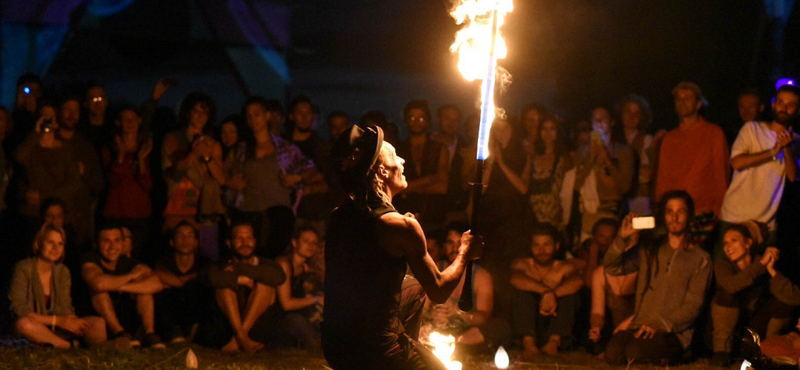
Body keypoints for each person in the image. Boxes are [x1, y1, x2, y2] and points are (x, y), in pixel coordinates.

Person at [323, 125, 484, 369]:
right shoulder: (399, 226)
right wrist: (464, 253)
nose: (402, 160)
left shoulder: (338, 217)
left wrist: (404, 232)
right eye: (394, 155)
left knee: (414, 285)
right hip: (374, 350)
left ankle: (406, 346)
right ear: (381, 171)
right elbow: (439, 291)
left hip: (335, 345)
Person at [603, 191, 712, 365]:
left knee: (634, 352)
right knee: (613, 354)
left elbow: (694, 304)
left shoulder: (700, 258)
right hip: (640, 325)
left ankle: (676, 354)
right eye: (669, 212)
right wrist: (622, 238)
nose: (674, 218)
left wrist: (661, 325)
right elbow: (612, 266)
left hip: (672, 331)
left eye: (680, 212)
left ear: (689, 216)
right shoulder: (650, 250)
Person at [225, 96, 322, 258]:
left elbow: (312, 170)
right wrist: (230, 183)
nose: (253, 120)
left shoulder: (284, 147)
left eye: (257, 114)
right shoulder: (241, 149)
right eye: (249, 116)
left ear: (267, 115)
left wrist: (296, 178)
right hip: (248, 213)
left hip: (278, 215)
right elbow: (223, 173)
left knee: (274, 259)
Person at [718, 84, 800, 258]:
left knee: (761, 278)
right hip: (735, 216)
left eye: (790, 104)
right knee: (724, 275)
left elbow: (793, 176)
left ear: (797, 110)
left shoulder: (796, 141)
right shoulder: (752, 129)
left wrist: (786, 148)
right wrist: (772, 152)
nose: (784, 108)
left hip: (765, 224)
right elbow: (737, 163)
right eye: (780, 102)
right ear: (773, 104)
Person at [711, 224, 800, 366]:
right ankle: (722, 352)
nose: (728, 246)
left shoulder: (764, 264)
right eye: (725, 243)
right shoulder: (723, 266)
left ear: (748, 243)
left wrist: (771, 270)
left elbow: (794, 298)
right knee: (726, 294)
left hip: (754, 328)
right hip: (729, 331)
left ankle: (770, 350)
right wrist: (761, 264)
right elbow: (732, 286)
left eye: (734, 240)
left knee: (783, 302)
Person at [9, 224, 107, 348]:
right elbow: (19, 310)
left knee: (98, 323)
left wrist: (71, 322)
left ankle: (101, 352)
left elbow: (65, 306)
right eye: (50, 242)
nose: (55, 248)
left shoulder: (62, 271)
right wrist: (57, 320)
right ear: (38, 244)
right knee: (23, 324)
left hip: (57, 328)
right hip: (34, 328)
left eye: (60, 244)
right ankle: (67, 347)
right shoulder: (23, 268)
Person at [420, 221, 510, 354]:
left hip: (464, 332)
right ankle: (436, 344)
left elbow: (483, 317)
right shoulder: (435, 269)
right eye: (450, 243)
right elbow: (421, 308)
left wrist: (457, 312)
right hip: (437, 328)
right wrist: (432, 315)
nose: (455, 248)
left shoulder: (481, 276)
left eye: (460, 244)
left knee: (499, 327)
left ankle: (452, 344)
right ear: (444, 246)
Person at [201, 221, 286, 352]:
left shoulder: (266, 264)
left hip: (258, 326)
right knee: (224, 286)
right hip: (228, 326)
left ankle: (239, 340)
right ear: (229, 243)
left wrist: (238, 268)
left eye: (249, 238)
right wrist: (238, 279)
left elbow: (279, 277)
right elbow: (210, 276)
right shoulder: (221, 265)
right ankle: (242, 338)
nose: (245, 243)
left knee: (266, 285)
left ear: (255, 241)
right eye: (239, 238)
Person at [80, 224, 165, 348]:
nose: (112, 246)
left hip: (125, 316)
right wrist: (130, 276)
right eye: (106, 241)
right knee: (99, 292)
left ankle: (150, 334)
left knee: (145, 292)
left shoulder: (130, 263)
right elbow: (99, 284)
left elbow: (156, 284)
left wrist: (117, 286)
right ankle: (120, 333)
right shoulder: (89, 260)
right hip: (100, 321)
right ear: (97, 243)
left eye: (117, 240)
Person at [655, 82, 729, 218]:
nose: (682, 102)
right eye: (679, 99)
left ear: (699, 104)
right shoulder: (669, 138)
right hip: (675, 214)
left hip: (704, 212)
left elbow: (721, 175)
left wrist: (720, 210)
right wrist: (661, 207)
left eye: (688, 98)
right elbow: (663, 178)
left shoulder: (714, 133)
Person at [511, 222, 583, 357]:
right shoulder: (523, 264)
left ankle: (554, 342)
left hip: (555, 319)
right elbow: (515, 279)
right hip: (531, 321)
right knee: (521, 292)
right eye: (536, 245)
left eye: (546, 245)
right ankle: (529, 343)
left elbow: (577, 281)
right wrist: (545, 291)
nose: (541, 250)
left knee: (570, 296)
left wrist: (552, 294)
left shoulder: (564, 267)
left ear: (556, 246)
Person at [569, 107, 634, 242]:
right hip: (588, 218)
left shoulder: (623, 151)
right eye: (595, 119)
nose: (598, 122)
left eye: (603, 118)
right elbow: (575, 185)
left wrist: (608, 161)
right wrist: (590, 160)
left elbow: (625, 187)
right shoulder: (582, 152)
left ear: (611, 122)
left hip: (612, 217)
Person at [101, 105, 154, 260]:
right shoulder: (109, 150)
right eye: (125, 120)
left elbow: (147, 185)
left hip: (139, 215)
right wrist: (120, 155)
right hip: (115, 214)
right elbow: (114, 181)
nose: (128, 124)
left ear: (139, 121)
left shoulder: (147, 149)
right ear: (118, 123)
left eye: (132, 120)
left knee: (138, 258)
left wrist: (141, 160)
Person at [394, 100, 449, 228]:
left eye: (421, 118)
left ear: (428, 120)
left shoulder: (439, 148)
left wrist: (407, 188)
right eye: (412, 117)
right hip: (404, 216)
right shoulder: (397, 149)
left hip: (433, 217)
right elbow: (394, 187)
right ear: (406, 120)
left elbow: (442, 187)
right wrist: (429, 179)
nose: (416, 122)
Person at [154, 221, 212, 343]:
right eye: (180, 235)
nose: (185, 239)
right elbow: (158, 275)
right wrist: (184, 281)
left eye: (189, 236)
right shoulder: (163, 263)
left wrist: (182, 281)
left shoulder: (205, 263)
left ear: (196, 242)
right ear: (172, 242)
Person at [273, 225, 325, 351]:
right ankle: (317, 345)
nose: (310, 246)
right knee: (295, 320)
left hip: (301, 318)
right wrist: (316, 299)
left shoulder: (308, 269)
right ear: (295, 242)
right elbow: (286, 304)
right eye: (306, 241)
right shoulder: (284, 264)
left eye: (314, 243)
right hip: (278, 319)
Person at [529, 114, 572, 227]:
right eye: (544, 128)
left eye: (552, 129)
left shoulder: (564, 159)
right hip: (532, 214)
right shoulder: (532, 157)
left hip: (554, 216)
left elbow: (568, 192)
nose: (548, 133)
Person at [616, 94, 655, 215]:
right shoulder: (614, 139)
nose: (632, 116)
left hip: (638, 200)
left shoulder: (646, 140)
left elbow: (646, 173)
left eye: (636, 113)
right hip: (616, 201)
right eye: (628, 112)